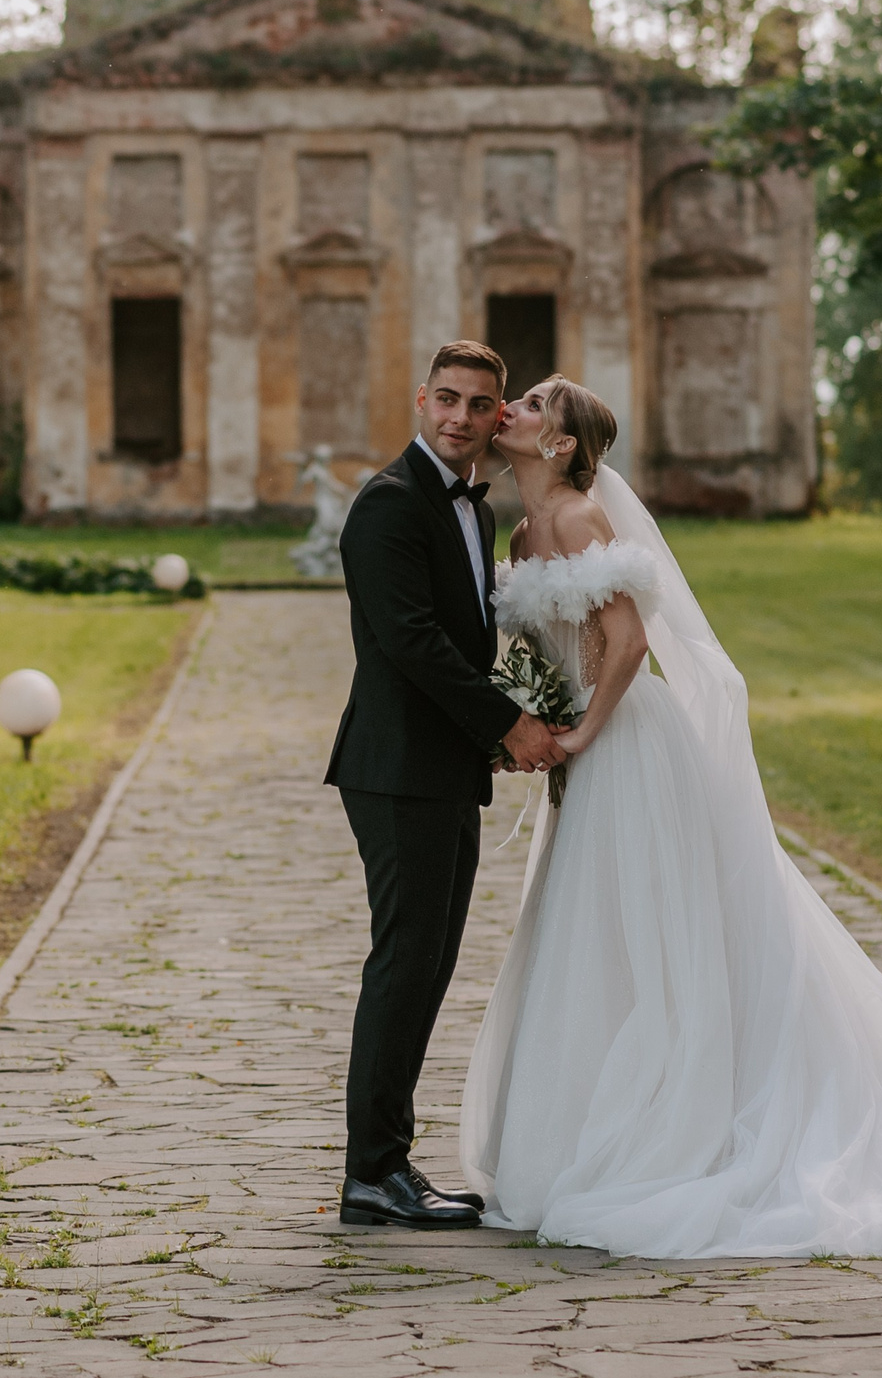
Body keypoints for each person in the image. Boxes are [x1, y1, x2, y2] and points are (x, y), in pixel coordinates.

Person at [460, 374, 882, 1258]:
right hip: (583, 754)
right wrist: (529, 720)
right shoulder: (520, 528)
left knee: (652, 928)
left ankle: (682, 1117)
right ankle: (580, 1123)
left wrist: (581, 729)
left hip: (627, 745)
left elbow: (629, 644)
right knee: (591, 930)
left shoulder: (581, 517)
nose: (515, 407)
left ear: (561, 444)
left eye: (536, 403)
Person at [324, 340, 563, 1230]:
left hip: (439, 766)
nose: (461, 417)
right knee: (404, 963)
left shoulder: (473, 505)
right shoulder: (387, 505)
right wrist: (508, 724)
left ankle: (383, 1164)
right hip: (395, 771)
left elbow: (461, 643)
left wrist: (487, 736)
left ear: (498, 414)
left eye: (479, 405)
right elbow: (412, 643)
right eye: (448, 400)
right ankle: (373, 1170)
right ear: (421, 400)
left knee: (425, 965)